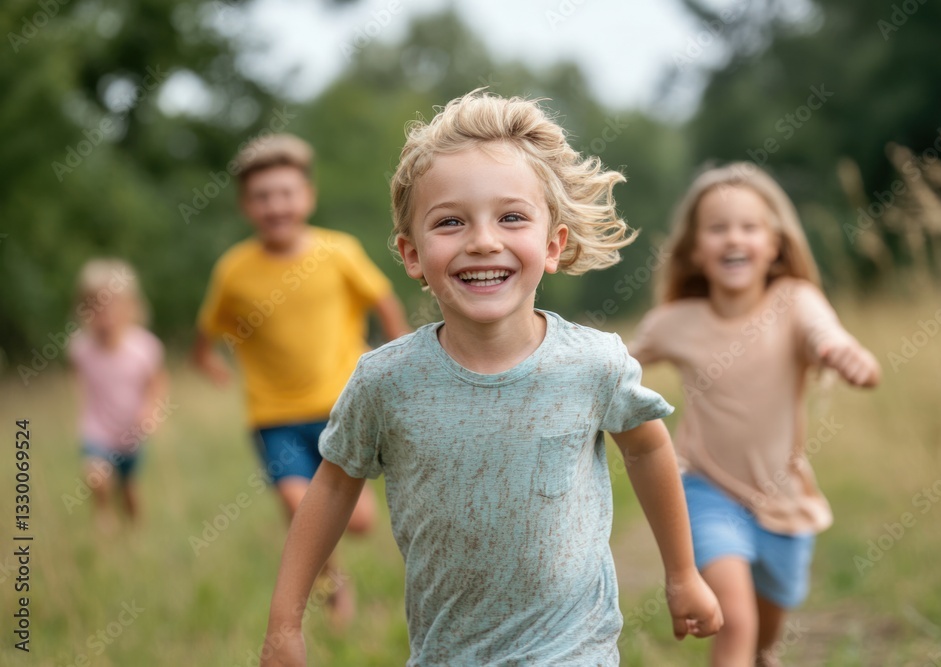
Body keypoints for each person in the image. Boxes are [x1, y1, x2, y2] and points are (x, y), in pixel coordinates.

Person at [260, 91, 722, 667]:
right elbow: (330, 488)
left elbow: (649, 449)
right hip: (446, 653)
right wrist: (284, 624)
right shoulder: (386, 382)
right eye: (450, 222)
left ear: (552, 245)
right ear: (412, 254)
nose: (483, 240)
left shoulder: (592, 364)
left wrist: (682, 574)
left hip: (573, 646)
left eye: (511, 217)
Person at [628, 163, 881, 666]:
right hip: (704, 488)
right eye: (717, 228)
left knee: (768, 622)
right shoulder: (676, 323)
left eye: (748, 227)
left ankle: (763, 655)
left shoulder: (795, 302)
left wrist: (845, 353)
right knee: (735, 619)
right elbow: (617, 361)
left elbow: (825, 333)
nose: (733, 239)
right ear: (696, 251)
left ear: (775, 244)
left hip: (782, 496)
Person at [191, 133, 409, 623]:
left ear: (307, 196)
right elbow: (206, 333)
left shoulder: (339, 252)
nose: (276, 205)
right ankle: (334, 584)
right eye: (262, 196)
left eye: (286, 193)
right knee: (299, 502)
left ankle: (339, 561)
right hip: (274, 417)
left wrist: (400, 355)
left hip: (342, 408)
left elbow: (384, 302)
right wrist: (207, 363)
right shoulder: (233, 271)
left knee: (357, 523)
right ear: (247, 206)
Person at [68, 258, 168, 532]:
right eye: (95, 307)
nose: (104, 315)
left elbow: (157, 384)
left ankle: (135, 532)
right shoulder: (80, 348)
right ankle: (103, 515)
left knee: (129, 490)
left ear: (131, 307)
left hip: (131, 433)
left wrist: (151, 411)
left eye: (111, 306)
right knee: (96, 476)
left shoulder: (144, 347)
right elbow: (79, 380)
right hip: (97, 430)